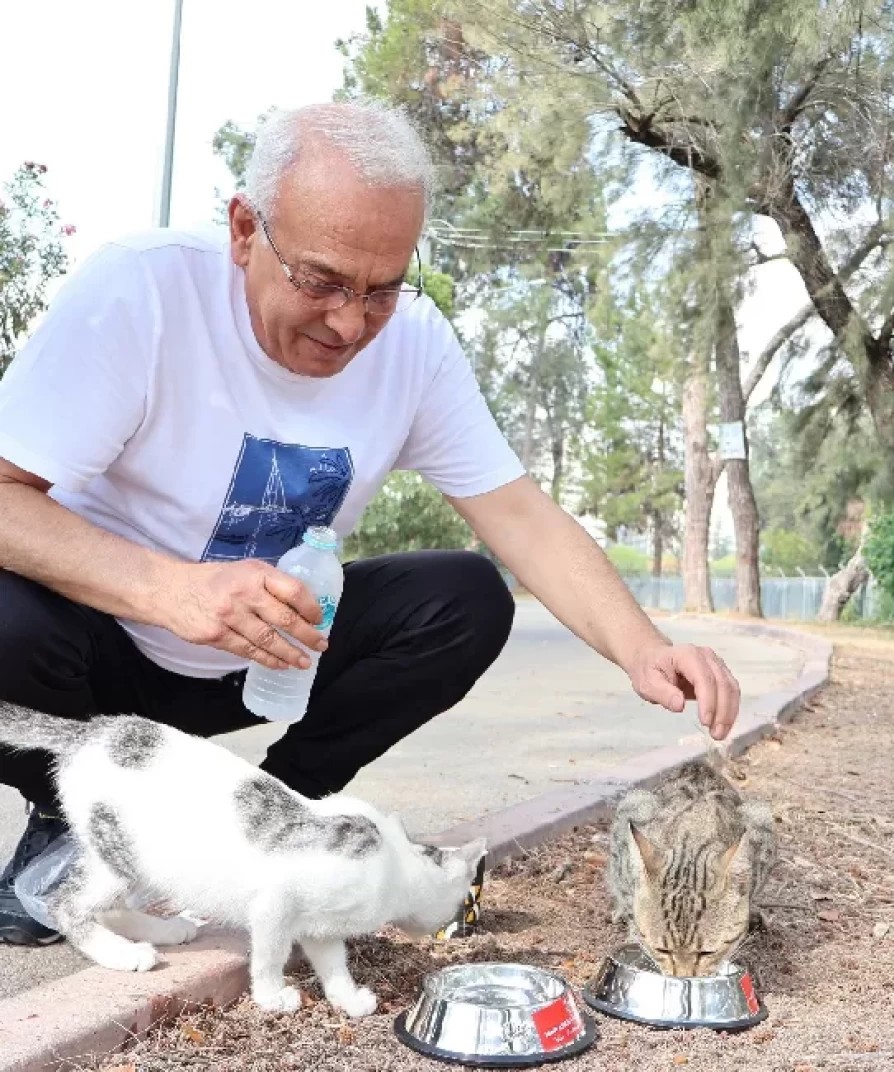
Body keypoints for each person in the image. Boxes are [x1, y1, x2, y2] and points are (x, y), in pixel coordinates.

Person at [0, 101, 742, 946]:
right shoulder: (145, 291)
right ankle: (66, 816)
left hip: (266, 664)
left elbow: (522, 519)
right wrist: (165, 589)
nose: (350, 323)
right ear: (246, 230)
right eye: (320, 281)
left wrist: (645, 648)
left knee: (463, 595)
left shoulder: (415, 345)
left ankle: (277, 816)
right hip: (94, 667)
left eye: (382, 287)